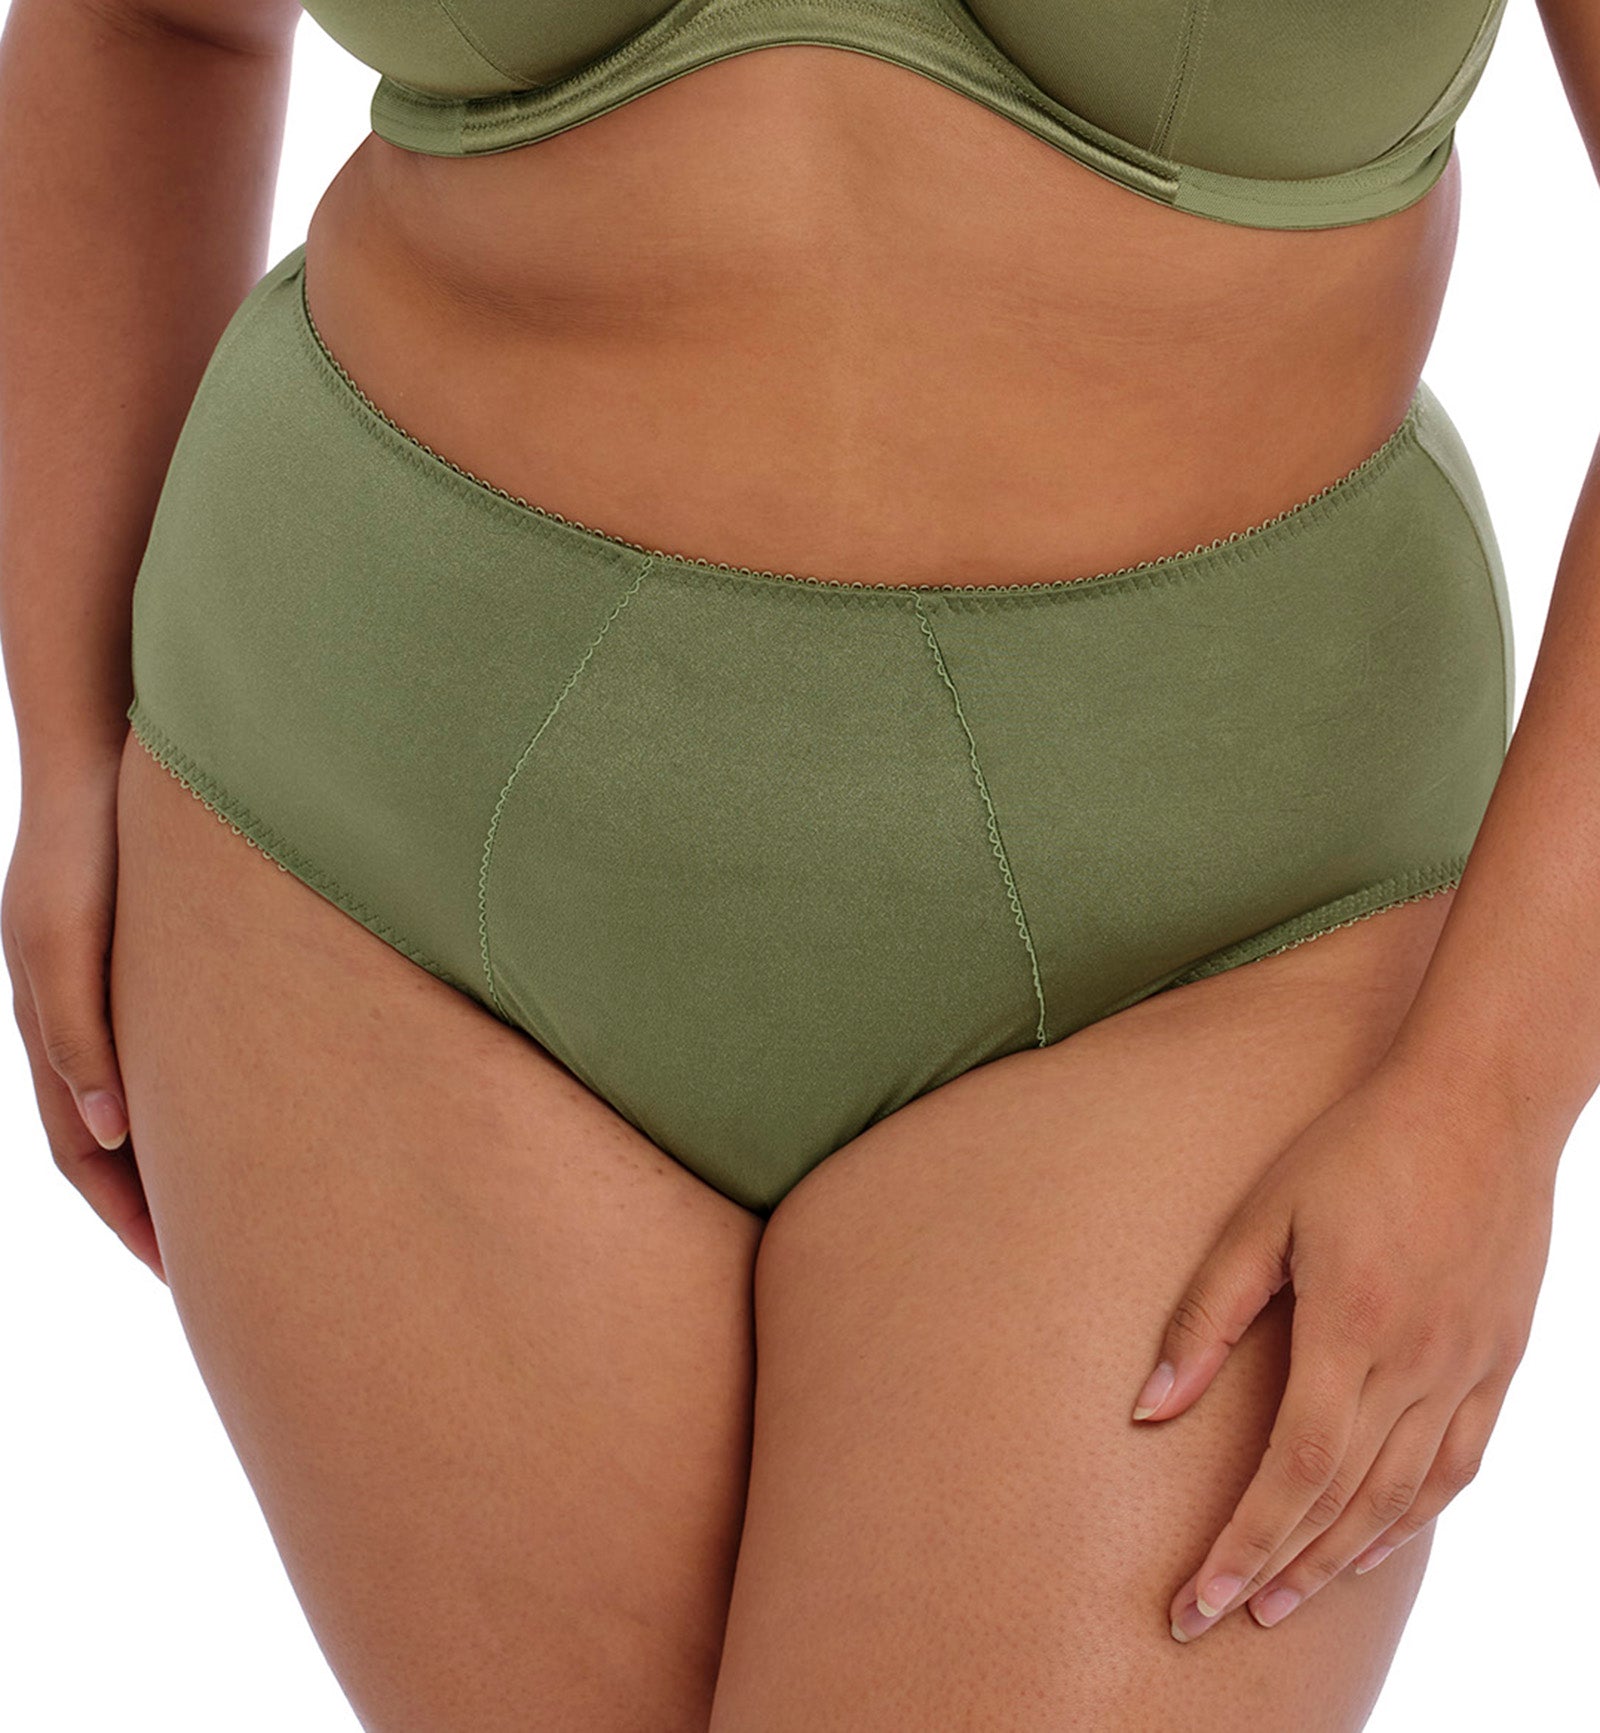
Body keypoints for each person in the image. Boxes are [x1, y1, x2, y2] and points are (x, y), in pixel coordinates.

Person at [0, 0, 1590, 1725]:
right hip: (373, 841)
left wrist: (1492, 1099)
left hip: (1214, 942)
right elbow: (151, 23)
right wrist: (66, 738)